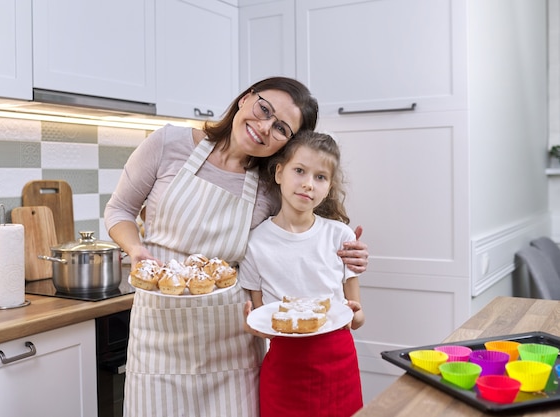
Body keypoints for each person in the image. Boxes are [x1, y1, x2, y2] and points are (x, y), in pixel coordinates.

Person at [104, 77, 369, 416]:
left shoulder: (271, 184)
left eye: (281, 128)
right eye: (264, 109)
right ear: (245, 98)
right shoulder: (169, 143)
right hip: (159, 339)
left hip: (232, 344)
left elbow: (310, 232)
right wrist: (135, 249)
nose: (264, 127)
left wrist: (351, 253)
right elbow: (119, 210)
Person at [241, 131, 365, 417]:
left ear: (329, 186)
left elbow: (358, 319)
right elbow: (263, 322)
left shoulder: (340, 236)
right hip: (285, 371)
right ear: (279, 173)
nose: (309, 184)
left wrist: (354, 312)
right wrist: (252, 325)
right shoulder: (255, 243)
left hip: (339, 366)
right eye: (300, 171)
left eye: (320, 177)